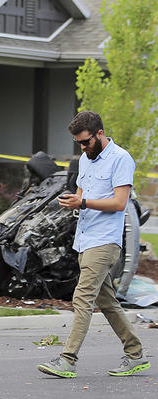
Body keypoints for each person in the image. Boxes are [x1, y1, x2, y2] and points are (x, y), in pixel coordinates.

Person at [37, 111, 149, 379]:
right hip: (84, 239)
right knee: (107, 302)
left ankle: (67, 360)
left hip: (104, 242)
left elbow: (120, 204)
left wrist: (83, 202)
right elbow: (82, 193)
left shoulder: (121, 159)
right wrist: (72, 201)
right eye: (78, 143)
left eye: (86, 142)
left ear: (99, 134)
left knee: (82, 297)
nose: (83, 147)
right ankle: (135, 353)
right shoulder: (86, 160)